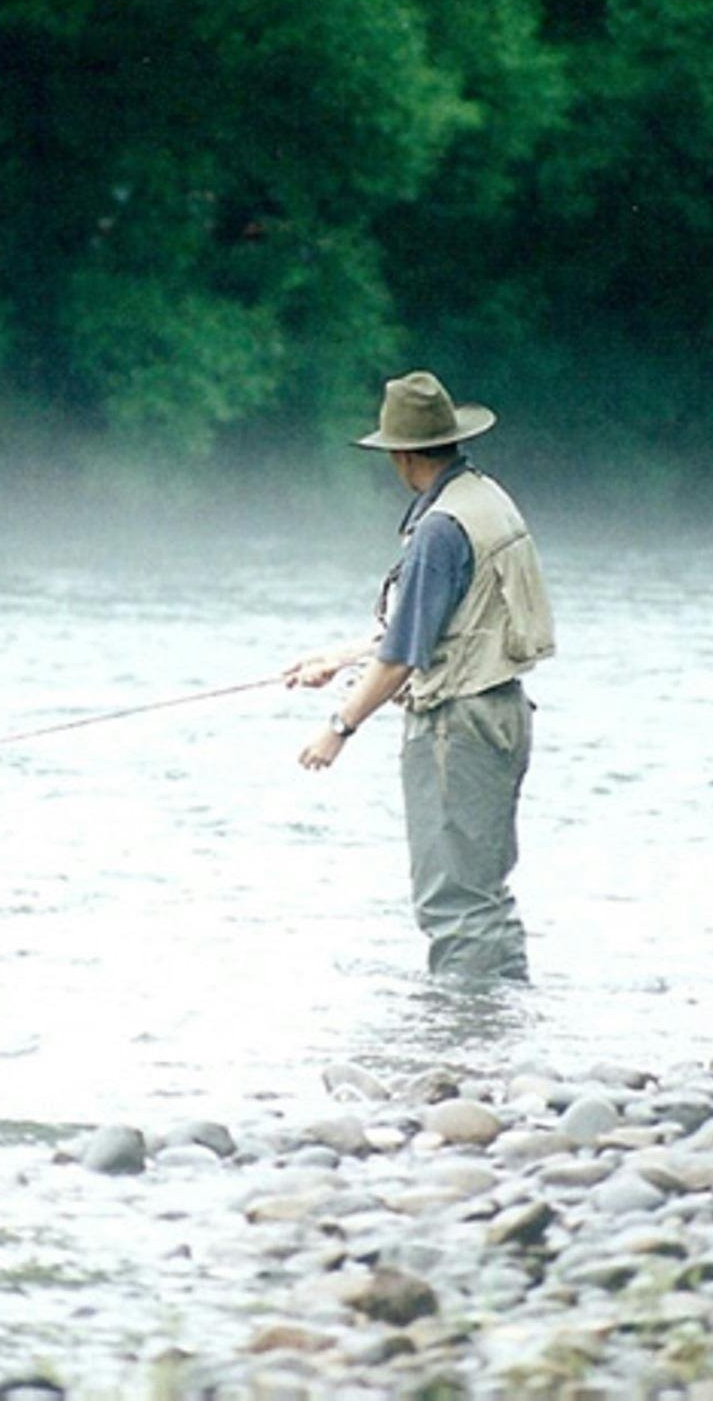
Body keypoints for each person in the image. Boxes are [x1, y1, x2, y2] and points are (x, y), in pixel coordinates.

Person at [286, 370, 556, 982]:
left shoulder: (439, 529)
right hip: (501, 712)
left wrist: (339, 726)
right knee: (483, 892)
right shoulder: (484, 498)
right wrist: (338, 658)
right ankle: (499, 1031)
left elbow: (406, 655)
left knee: (454, 902)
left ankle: (467, 1040)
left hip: (456, 729)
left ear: (402, 455)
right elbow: (440, 624)